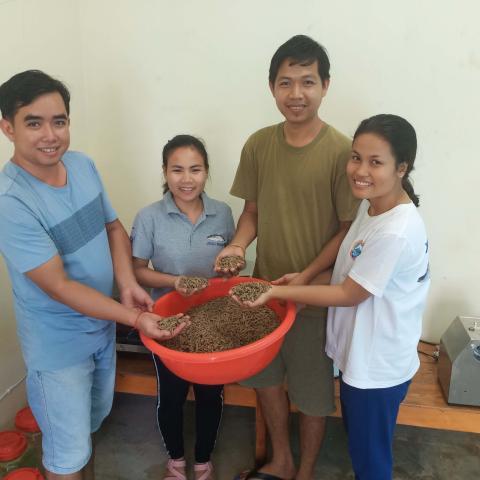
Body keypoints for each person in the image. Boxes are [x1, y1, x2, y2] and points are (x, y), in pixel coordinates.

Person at [0, 70, 188, 480]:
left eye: (59, 121)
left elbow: (114, 228)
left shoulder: (82, 166)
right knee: (66, 456)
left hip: (103, 328)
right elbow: (60, 286)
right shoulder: (11, 202)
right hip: (59, 346)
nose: (50, 135)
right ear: (7, 128)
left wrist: (127, 284)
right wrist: (137, 318)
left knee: (88, 431)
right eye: (34, 122)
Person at [233, 114, 431, 480]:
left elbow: (348, 293)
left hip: (378, 368)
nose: (360, 170)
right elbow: (346, 272)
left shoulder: (396, 230)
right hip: (361, 360)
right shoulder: (371, 208)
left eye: (376, 162)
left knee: (371, 462)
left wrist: (275, 291)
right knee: (361, 449)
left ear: (402, 167)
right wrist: (300, 282)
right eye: (356, 157)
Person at [216, 35, 360, 480]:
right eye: (285, 83)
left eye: (307, 82)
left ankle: (307, 471)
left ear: (326, 85)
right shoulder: (259, 145)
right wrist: (238, 245)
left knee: (315, 393)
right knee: (267, 382)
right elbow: (252, 213)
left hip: (316, 297)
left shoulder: (342, 152)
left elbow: (346, 229)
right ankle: (281, 459)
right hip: (263, 293)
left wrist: (308, 275)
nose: (296, 94)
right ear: (272, 87)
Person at [130, 134, 235, 480]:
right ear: (164, 171)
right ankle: (176, 460)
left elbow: (230, 264)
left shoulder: (223, 213)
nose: (186, 179)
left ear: (207, 172)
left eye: (195, 169)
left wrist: (229, 269)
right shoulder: (149, 217)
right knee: (171, 396)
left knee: (210, 394)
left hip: (214, 323)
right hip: (166, 322)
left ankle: (203, 460)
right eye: (177, 170)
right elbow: (137, 269)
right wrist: (175, 281)